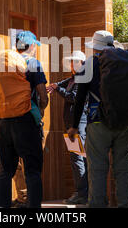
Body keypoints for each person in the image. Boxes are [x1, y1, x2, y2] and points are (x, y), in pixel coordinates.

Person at [67, 30, 128, 208]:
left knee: (97, 168)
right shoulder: (127, 62)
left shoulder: (90, 64)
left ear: (95, 48)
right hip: (124, 122)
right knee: (124, 168)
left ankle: (97, 205)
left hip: (98, 121)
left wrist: (74, 126)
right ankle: (127, 204)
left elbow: (80, 97)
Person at [0, 30, 49, 208]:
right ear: (32, 46)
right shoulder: (32, 62)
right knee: (32, 171)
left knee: (5, 171)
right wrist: (40, 111)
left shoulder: (4, 64)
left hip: (3, 122)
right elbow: (42, 94)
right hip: (25, 121)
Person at [47, 51, 88, 205]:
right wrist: (57, 85)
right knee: (77, 158)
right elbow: (64, 82)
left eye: (75, 62)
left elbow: (74, 98)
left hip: (77, 126)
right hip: (72, 125)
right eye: (71, 62)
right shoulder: (73, 78)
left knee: (77, 158)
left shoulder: (82, 79)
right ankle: (83, 192)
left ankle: (82, 193)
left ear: (82, 63)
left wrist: (58, 89)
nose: (72, 65)